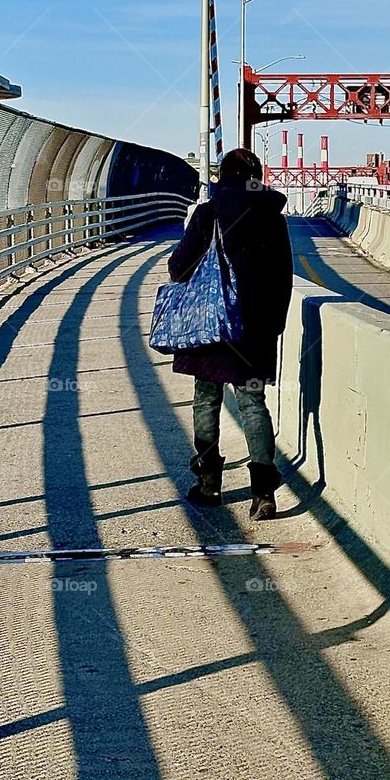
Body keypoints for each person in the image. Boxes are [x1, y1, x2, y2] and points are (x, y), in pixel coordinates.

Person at [167, 148, 293, 520]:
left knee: (206, 400)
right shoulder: (274, 218)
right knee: (253, 403)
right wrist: (275, 325)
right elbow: (283, 279)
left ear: (222, 176)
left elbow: (179, 268)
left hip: (212, 326)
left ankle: (208, 484)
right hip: (255, 329)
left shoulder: (208, 214)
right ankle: (263, 494)